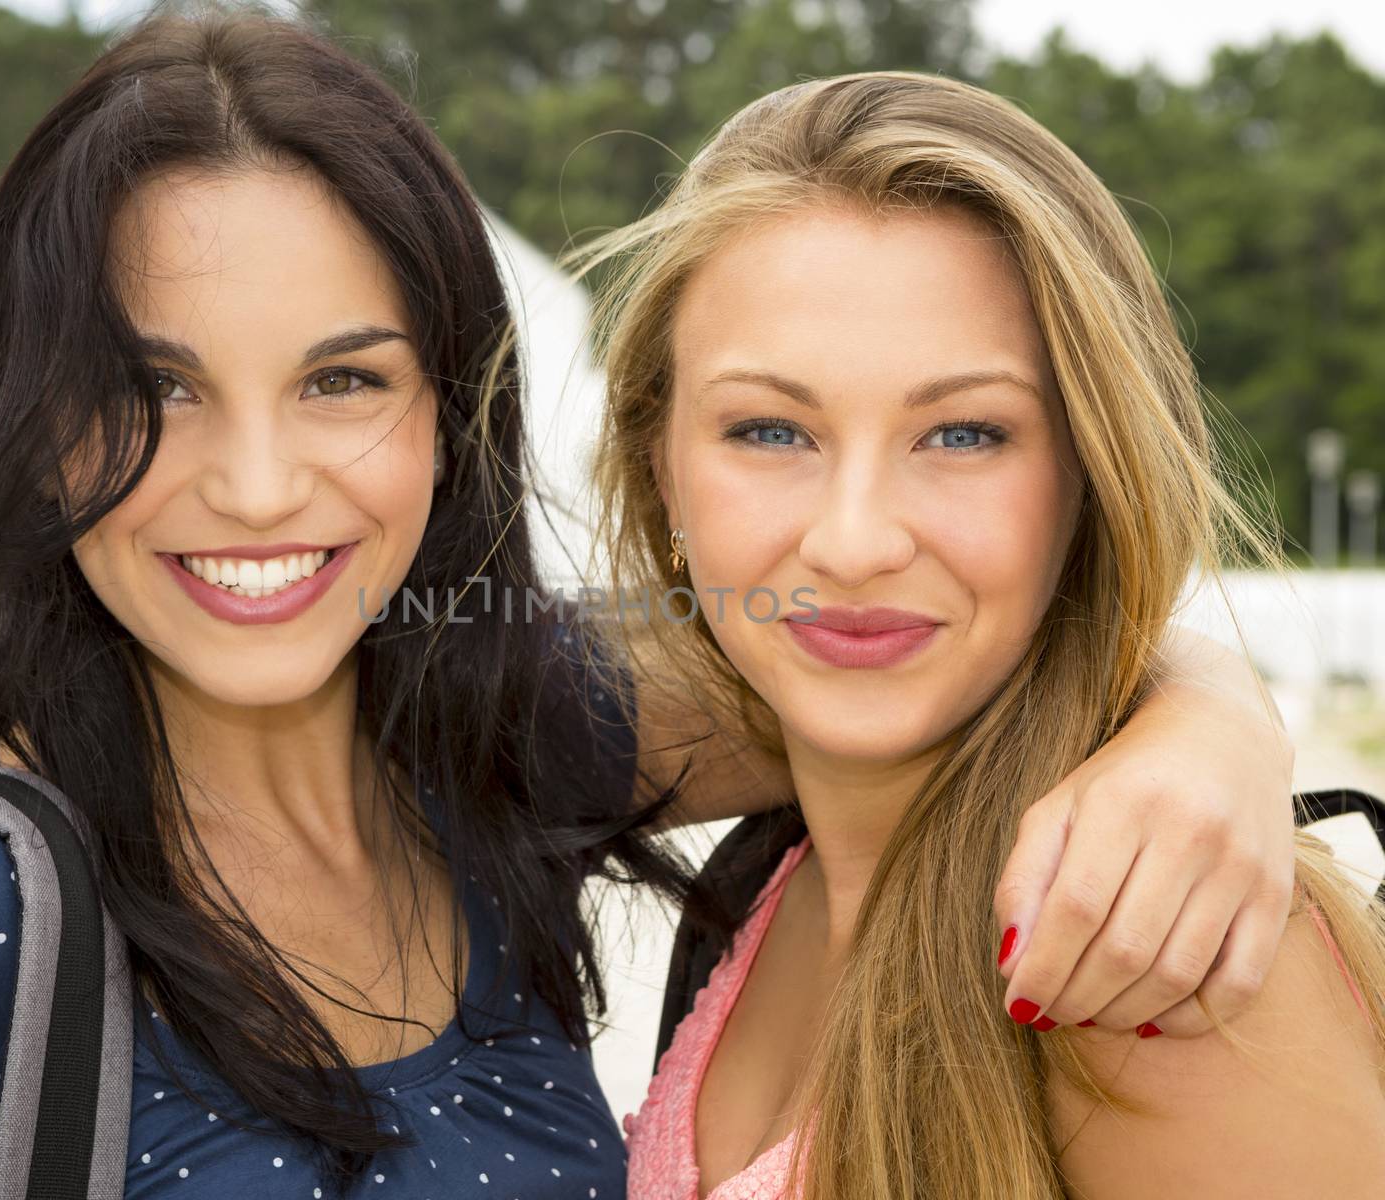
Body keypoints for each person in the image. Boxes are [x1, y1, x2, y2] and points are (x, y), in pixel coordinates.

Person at [0, 13, 1307, 1198]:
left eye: (344, 380)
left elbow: (893, 647)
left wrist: (1209, 731)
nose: (255, 489)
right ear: (17, 425)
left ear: (454, 415)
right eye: (150, 390)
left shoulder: (502, 744)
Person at [573, 71, 1385, 1199]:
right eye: (769, 429)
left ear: (1088, 475)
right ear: (660, 467)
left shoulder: (1158, 958)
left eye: (961, 433)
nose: (855, 542)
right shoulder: (775, 868)